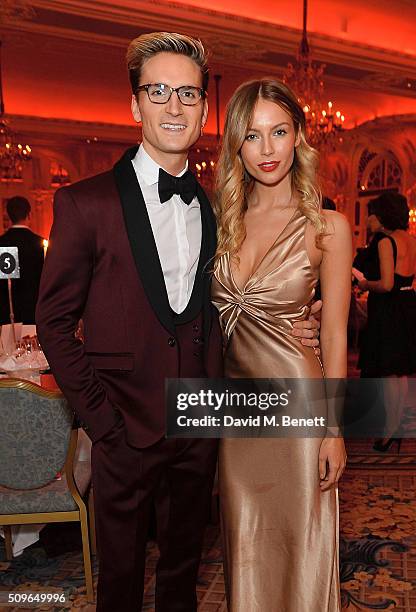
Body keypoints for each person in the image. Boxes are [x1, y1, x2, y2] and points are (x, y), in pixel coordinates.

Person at [36, 34, 319, 612]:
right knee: (119, 583)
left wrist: (302, 320)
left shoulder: (220, 206)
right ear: (136, 105)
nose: (173, 105)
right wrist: (103, 423)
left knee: (182, 576)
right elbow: (54, 322)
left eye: (187, 93)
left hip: (201, 423)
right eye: (158, 90)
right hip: (122, 427)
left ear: (204, 108)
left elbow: (235, 300)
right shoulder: (84, 203)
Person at [211, 79, 351, 611]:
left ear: (298, 138)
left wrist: (335, 430)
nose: (266, 150)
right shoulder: (219, 225)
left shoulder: (327, 229)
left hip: (298, 408)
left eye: (279, 132)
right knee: (244, 542)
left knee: (302, 546)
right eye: (251, 135)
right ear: (235, 145)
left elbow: (335, 332)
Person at [358, 192, 416, 452]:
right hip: (408, 305)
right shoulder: (412, 241)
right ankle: (398, 425)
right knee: (401, 371)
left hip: (390, 309)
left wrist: (364, 284)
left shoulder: (386, 242)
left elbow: (386, 284)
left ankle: (391, 428)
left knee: (388, 372)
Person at [0, 196, 44, 324]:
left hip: (8, 315)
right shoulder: (40, 244)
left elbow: (7, 282)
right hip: (35, 314)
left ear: (8, 216)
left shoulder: (4, 243)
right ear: (29, 215)